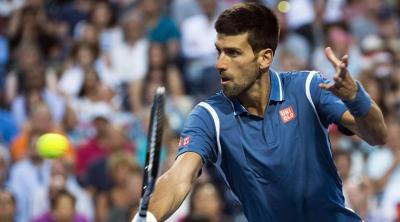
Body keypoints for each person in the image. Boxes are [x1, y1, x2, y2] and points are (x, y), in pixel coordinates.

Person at [132, 3, 387, 222]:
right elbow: (179, 178)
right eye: (219, 51)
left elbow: (376, 135)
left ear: (264, 58)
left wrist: (356, 97)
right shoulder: (209, 116)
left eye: (233, 53)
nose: (220, 63)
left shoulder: (308, 88)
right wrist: (148, 218)